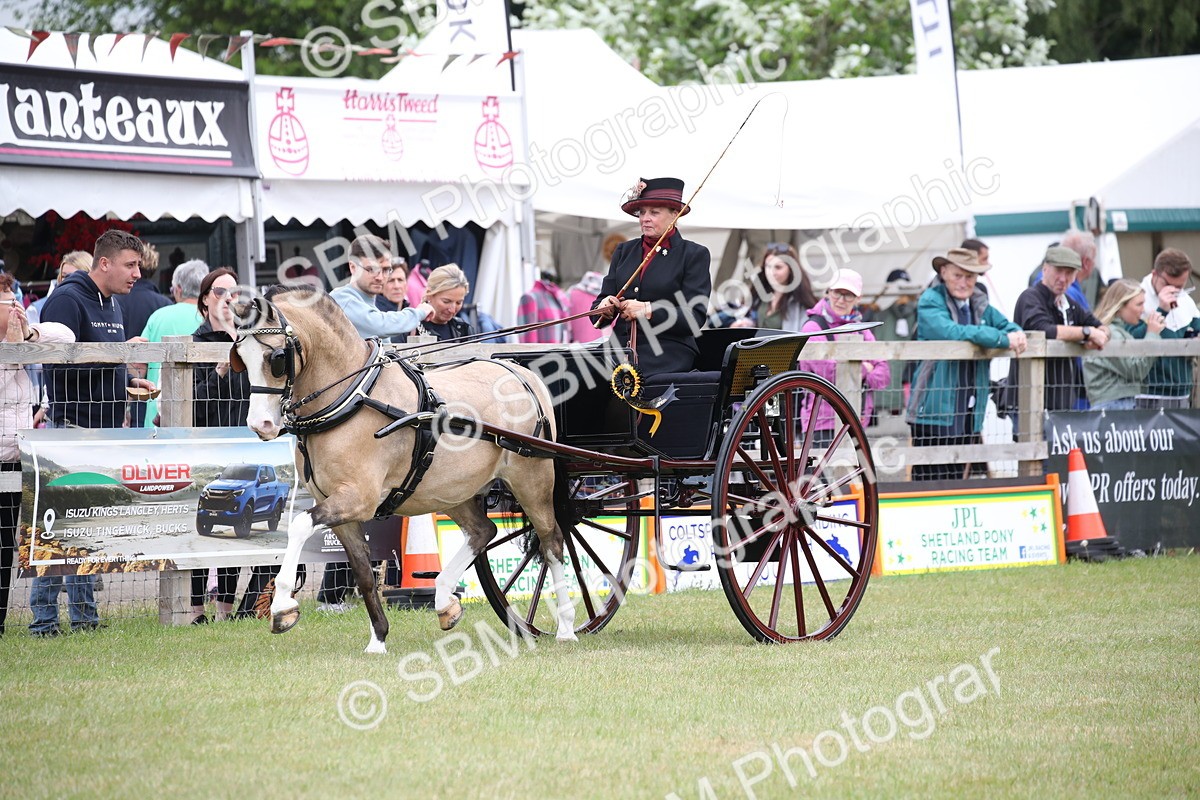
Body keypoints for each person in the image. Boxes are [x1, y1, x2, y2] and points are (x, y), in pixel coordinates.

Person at [34, 230, 155, 635]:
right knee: (59, 530)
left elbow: (101, 367)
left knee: (85, 528)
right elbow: (54, 363)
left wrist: (126, 383)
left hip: (103, 430)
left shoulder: (113, 303)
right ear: (104, 263)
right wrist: (119, 356)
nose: (137, 273)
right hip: (70, 429)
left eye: (137, 265)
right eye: (130, 264)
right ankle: (44, 623)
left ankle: (85, 619)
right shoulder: (67, 299)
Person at [189, 268, 290, 622]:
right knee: (206, 526)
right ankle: (196, 608)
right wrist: (219, 371)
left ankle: (226, 609)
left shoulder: (252, 340)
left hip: (247, 441)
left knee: (234, 532)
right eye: (219, 292)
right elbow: (192, 403)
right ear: (204, 300)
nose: (228, 299)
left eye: (235, 293)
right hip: (210, 442)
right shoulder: (196, 341)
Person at [907, 248, 1027, 481]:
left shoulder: (979, 302)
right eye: (957, 275)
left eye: (970, 276)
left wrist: (1016, 333)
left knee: (959, 476)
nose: (964, 282)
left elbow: (1008, 326)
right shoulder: (930, 300)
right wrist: (1001, 338)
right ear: (943, 273)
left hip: (968, 408)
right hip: (933, 409)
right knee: (929, 479)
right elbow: (951, 332)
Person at [0, 275, 74, 636]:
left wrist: (27, 338)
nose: (15, 305)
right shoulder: (8, 350)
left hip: (16, 455)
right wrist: (12, 356)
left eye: (14, 297)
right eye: (6, 299)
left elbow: (66, 335)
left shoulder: (23, 334)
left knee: (5, 544)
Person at [592, 177, 712, 374]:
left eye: (654, 213)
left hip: (668, 354)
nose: (644, 218)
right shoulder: (624, 251)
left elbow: (693, 318)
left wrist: (648, 309)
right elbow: (598, 305)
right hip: (618, 350)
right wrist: (604, 307)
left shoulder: (694, 255)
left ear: (675, 215)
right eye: (642, 212)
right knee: (573, 376)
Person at [1011, 245, 1108, 412]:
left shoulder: (1068, 303)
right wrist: (1086, 333)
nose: (1063, 278)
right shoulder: (1030, 298)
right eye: (1059, 271)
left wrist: (1101, 336)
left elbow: (1099, 325)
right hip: (1029, 403)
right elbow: (1044, 331)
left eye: (1069, 273)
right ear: (1045, 269)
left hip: (1062, 404)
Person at [798, 269, 890, 441]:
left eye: (848, 295)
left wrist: (854, 370)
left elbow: (884, 374)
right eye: (837, 293)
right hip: (822, 424)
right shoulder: (813, 328)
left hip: (856, 421)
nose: (841, 300)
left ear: (858, 299)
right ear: (828, 291)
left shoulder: (862, 329)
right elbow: (829, 374)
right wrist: (865, 368)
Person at [139, 259, 209, 426]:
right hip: (202, 415)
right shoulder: (211, 319)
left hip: (158, 416)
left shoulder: (158, 317)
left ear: (178, 289)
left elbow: (139, 366)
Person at [329, 235, 432, 342]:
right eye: (372, 269)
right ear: (353, 267)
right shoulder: (342, 300)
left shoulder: (368, 306)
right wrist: (419, 313)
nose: (380, 277)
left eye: (386, 269)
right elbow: (380, 325)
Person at [1083, 279, 1165, 411]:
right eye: (1139, 304)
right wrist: (1152, 334)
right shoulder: (1110, 333)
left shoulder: (1117, 331)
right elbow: (1136, 370)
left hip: (1115, 404)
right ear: (1120, 306)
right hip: (1113, 406)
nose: (1143, 310)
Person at [1137, 248, 1200, 408]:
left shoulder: (1186, 300)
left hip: (1183, 392)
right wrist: (1162, 310)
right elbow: (1133, 339)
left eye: (1180, 286)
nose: (1174, 291)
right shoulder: (1137, 299)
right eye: (1168, 285)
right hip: (1148, 394)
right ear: (1154, 274)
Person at [740, 242, 818, 331]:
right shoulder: (758, 294)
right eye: (768, 266)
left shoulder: (801, 303)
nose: (771, 272)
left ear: (791, 269)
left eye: (778, 267)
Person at [1028, 231, 1102, 312]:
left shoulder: (1041, 282)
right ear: (1086, 262)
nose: (1062, 279)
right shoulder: (1067, 294)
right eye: (1094, 259)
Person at [413, 264, 474, 342]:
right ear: (429, 294)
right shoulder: (411, 327)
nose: (452, 310)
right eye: (446, 301)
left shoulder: (464, 330)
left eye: (459, 303)